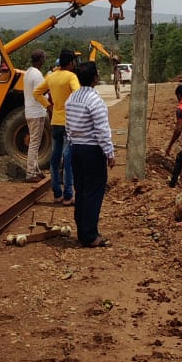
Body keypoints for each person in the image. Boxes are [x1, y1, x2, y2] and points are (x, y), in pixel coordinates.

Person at [65, 60, 116, 247]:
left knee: (81, 190)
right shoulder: (95, 101)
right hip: (92, 151)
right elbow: (102, 130)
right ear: (95, 78)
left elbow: (68, 126)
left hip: (76, 149)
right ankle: (90, 235)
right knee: (94, 192)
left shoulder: (71, 99)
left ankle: (83, 230)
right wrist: (109, 154)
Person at [34, 49, 79, 205]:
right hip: (68, 122)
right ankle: (68, 195)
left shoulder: (51, 76)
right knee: (68, 159)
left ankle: (57, 194)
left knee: (55, 158)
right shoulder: (71, 77)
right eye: (74, 62)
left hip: (55, 122)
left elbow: (37, 92)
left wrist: (49, 106)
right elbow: (78, 94)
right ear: (71, 62)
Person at [23, 49, 48, 182]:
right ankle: (30, 172)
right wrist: (49, 106)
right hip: (37, 112)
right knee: (34, 143)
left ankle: (36, 169)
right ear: (40, 60)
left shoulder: (28, 72)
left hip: (29, 111)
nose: (45, 60)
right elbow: (40, 94)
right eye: (44, 58)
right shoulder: (37, 75)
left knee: (34, 141)